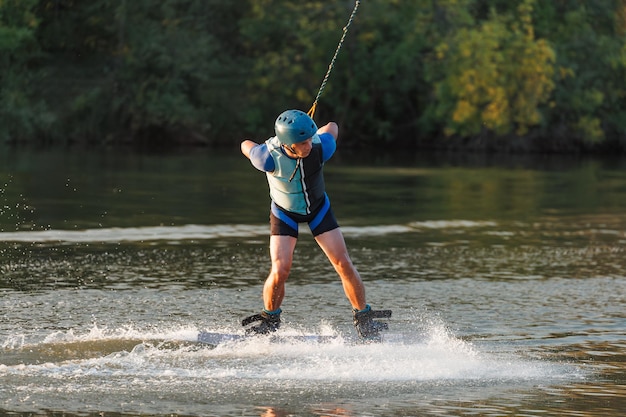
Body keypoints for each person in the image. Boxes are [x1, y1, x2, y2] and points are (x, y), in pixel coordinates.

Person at [240, 109, 391, 338]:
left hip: (319, 210)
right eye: (303, 142)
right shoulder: (266, 157)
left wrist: (314, 130)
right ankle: (270, 319)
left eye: (310, 139)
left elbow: (332, 126)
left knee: (343, 263)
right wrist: (267, 144)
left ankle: (363, 317)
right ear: (288, 144)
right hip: (284, 213)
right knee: (281, 269)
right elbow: (245, 144)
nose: (309, 145)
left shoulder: (321, 147)